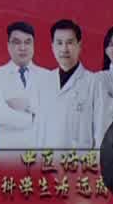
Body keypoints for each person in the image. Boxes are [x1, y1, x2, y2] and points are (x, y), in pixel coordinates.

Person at [0, 20, 46, 150]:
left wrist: (27, 104)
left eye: (27, 42)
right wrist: (34, 118)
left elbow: (55, 116)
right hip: (9, 155)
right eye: (17, 42)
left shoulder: (48, 77)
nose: (22, 48)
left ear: (33, 45)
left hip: (42, 155)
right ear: (8, 45)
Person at [37, 19, 96, 149]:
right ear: (52, 46)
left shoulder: (93, 82)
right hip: (47, 158)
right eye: (59, 43)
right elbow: (39, 130)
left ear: (79, 45)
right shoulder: (44, 81)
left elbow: (100, 130)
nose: (64, 49)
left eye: (69, 42)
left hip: (80, 159)